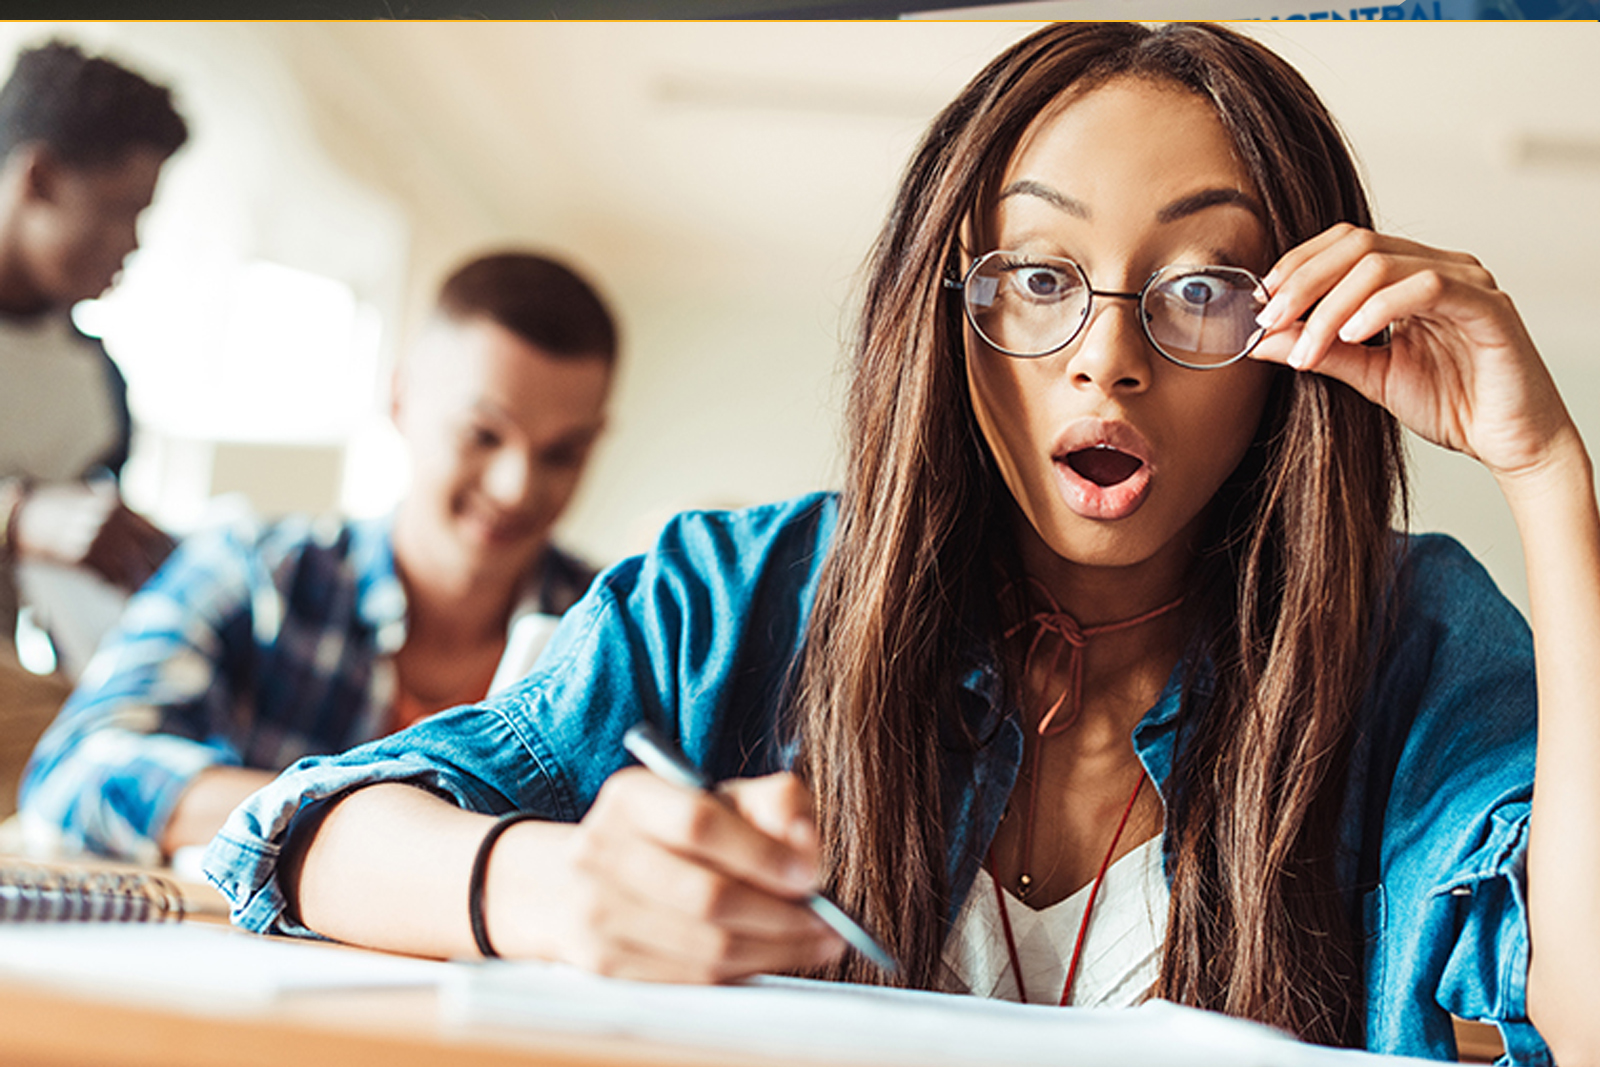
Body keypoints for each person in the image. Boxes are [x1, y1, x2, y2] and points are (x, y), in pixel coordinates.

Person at [202, 23, 1597, 1065]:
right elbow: (297, 839)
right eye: (1039, 279)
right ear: (948, 309)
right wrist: (554, 884)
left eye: (1202, 288)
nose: (1106, 359)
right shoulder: (738, 598)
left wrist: (1547, 475)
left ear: (1294, 338)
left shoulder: (1406, 638)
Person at [19, 250, 617, 864]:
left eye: (562, 454)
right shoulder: (254, 571)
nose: (516, 487)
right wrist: (362, 823)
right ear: (401, 399)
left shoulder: (617, 633)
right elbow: (76, 771)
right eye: (482, 435)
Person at [0, 40, 187, 671]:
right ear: (40, 179)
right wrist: (18, 520)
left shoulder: (97, 391)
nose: (132, 243)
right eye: (118, 210)